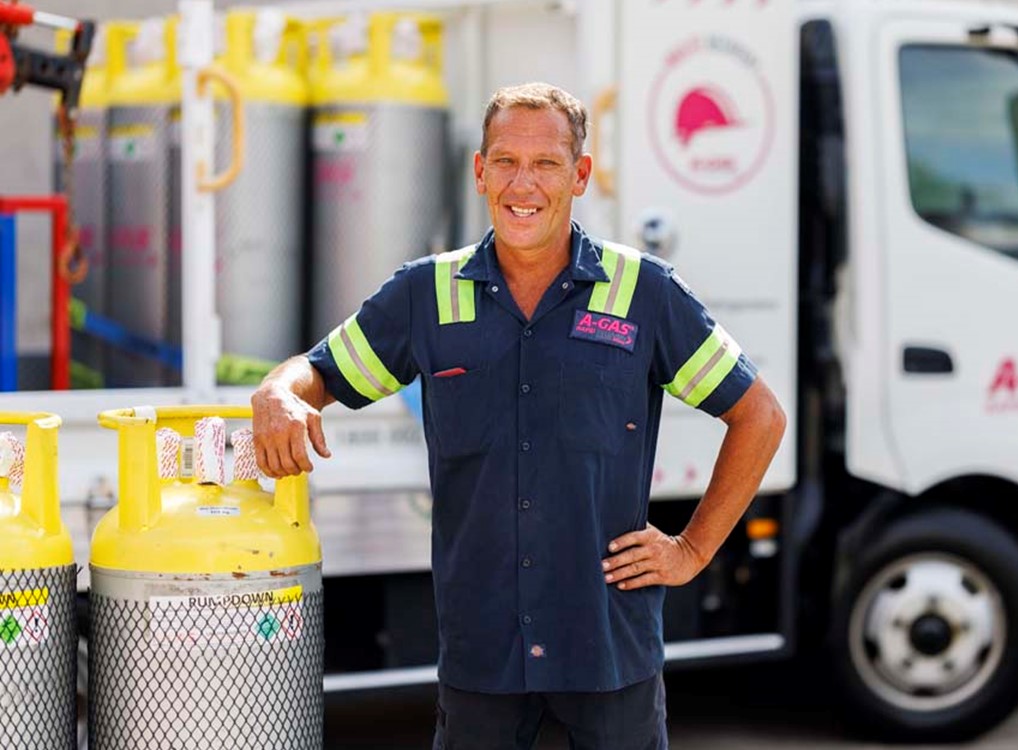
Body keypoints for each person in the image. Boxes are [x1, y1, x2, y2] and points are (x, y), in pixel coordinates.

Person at [252, 82, 787, 750]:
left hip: (608, 649)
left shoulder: (643, 293)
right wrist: (277, 393)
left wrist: (693, 549)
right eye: (505, 161)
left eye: (546, 164)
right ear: (479, 172)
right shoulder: (427, 294)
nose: (522, 183)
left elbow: (759, 416)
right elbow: (317, 373)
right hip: (484, 653)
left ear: (580, 175)